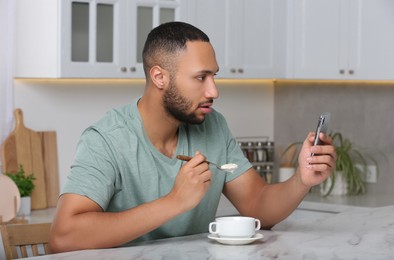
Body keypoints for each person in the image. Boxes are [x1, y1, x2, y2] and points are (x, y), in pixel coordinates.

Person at [49, 21, 336, 252]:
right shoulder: (106, 139)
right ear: (160, 77)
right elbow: (64, 237)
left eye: (214, 77)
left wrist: (301, 180)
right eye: (201, 77)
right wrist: (175, 201)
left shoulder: (213, 125)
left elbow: (259, 205)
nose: (213, 91)